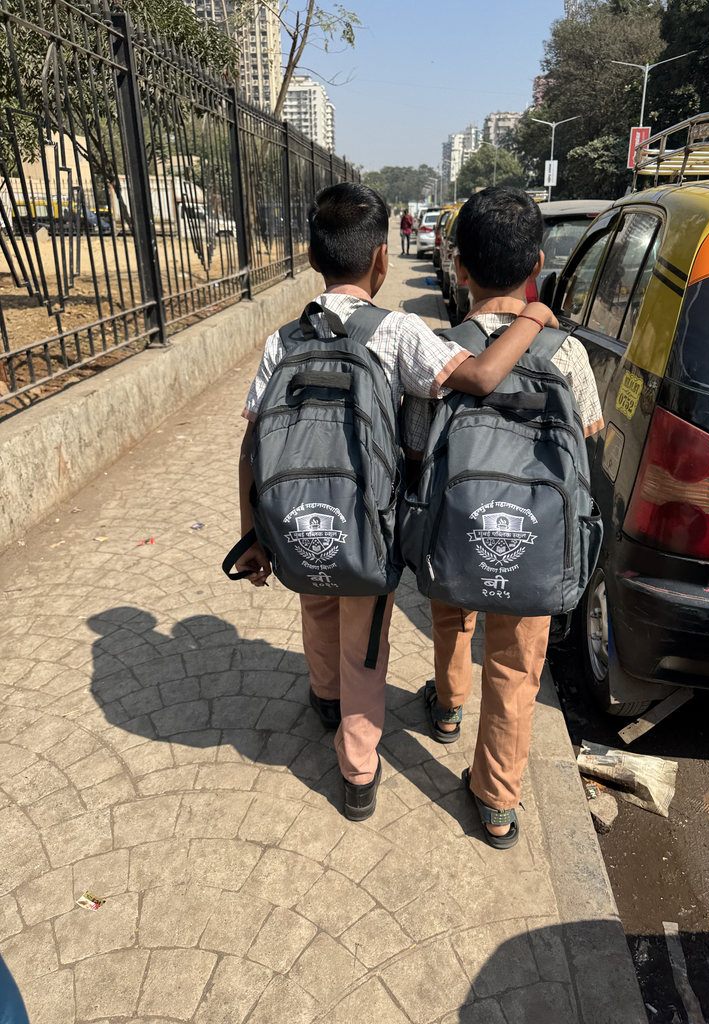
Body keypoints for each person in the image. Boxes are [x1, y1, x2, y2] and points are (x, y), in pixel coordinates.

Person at [234, 182, 558, 821]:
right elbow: (480, 377)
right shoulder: (400, 331)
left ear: (311, 257)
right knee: (365, 641)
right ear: (383, 260)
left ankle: (324, 697)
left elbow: (253, 442)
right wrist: (532, 317)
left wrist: (251, 534)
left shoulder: (281, 340)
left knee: (315, 600)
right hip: (367, 525)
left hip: (295, 516)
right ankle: (358, 772)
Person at [403, 186, 603, 848]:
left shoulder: (443, 352)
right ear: (538, 265)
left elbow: (415, 447)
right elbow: (590, 438)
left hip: (457, 524)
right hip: (534, 535)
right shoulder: (566, 353)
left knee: (451, 614)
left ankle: (447, 707)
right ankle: (495, 802)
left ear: (460, 269)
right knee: (517, 665)